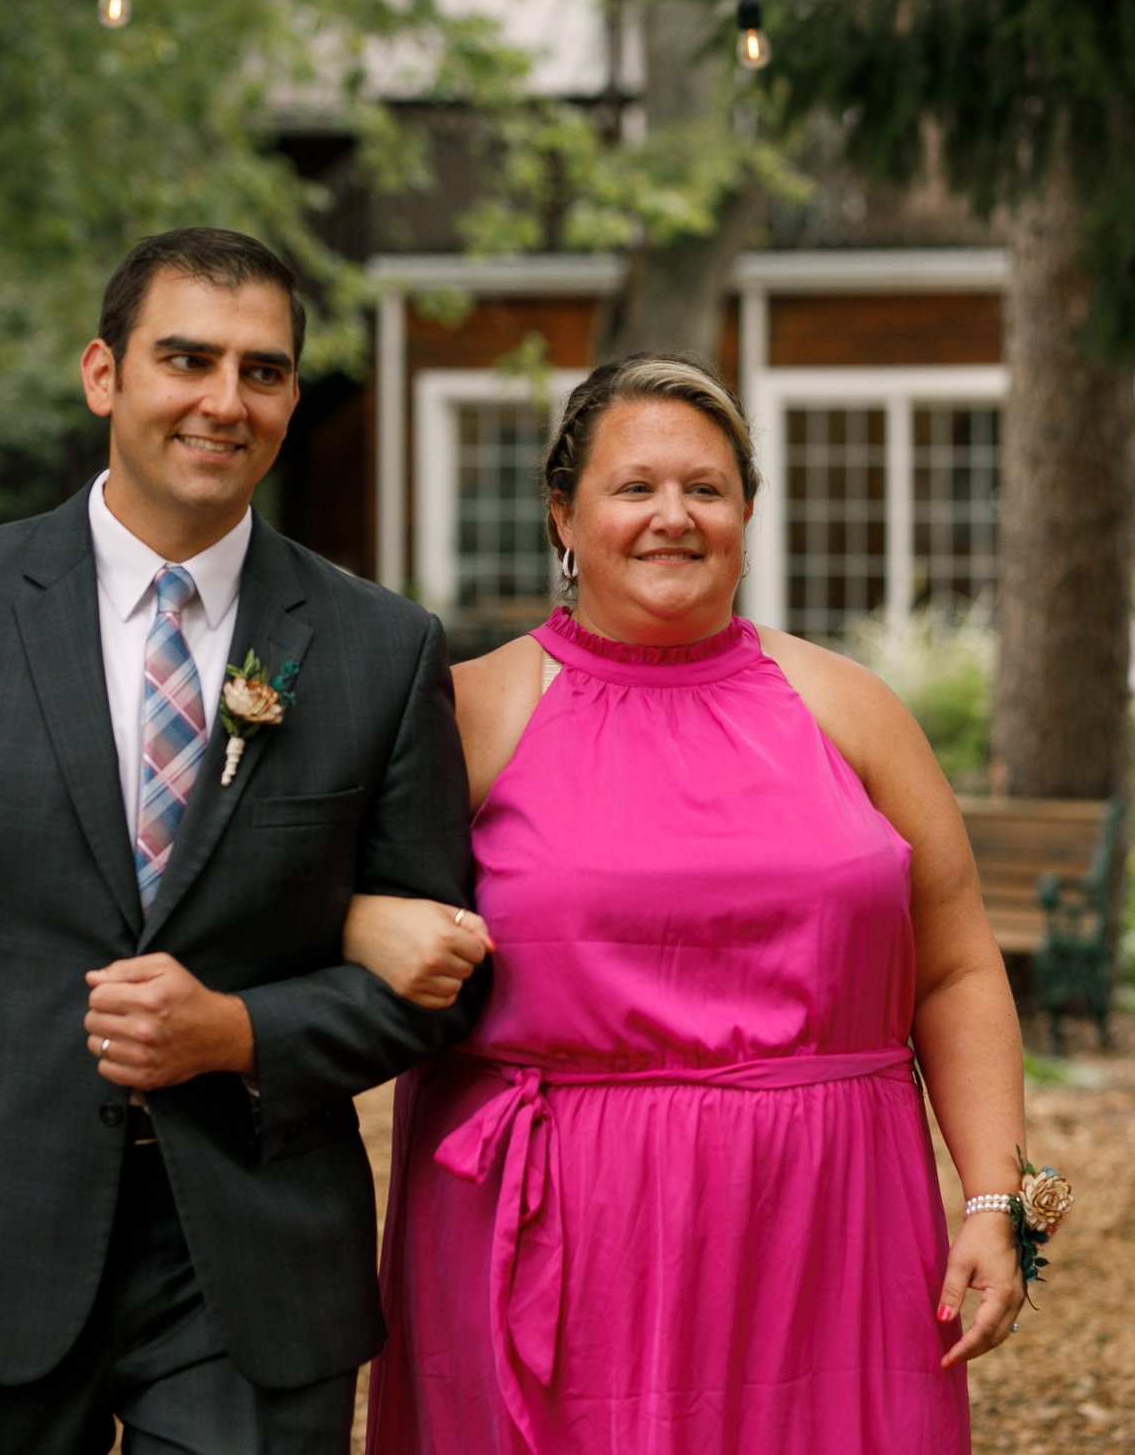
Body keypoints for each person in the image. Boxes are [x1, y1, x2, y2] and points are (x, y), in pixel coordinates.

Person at [0, 228, 484, 1454]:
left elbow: (431, 980)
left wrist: (238, 1031)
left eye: (264, 371)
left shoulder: (380, 649)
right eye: (186, 359)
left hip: (253, 1249)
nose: (224, 402)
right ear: (102, 374)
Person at [348, 355, 1040, 1455]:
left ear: (747, 514)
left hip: (830, 1229)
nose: (673, 516)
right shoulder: (469, 712)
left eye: (706, 489)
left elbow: (955, 968)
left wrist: (995, 1202)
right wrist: (352, 920)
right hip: (561, 1240)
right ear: (562, 516)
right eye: (634, 488)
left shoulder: (849, 706)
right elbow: (317, 910)